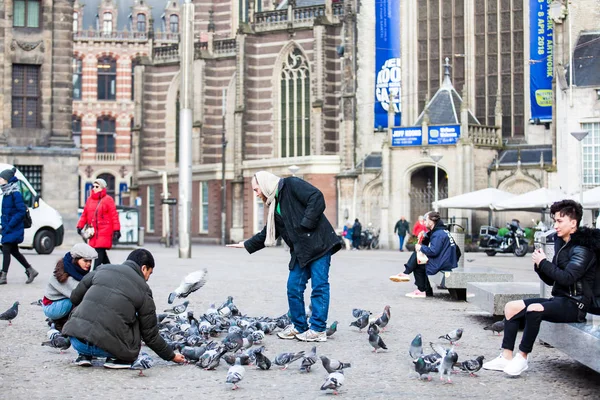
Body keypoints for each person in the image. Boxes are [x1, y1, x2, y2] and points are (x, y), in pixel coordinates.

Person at [483, 200, 598, 376]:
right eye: (554, 221)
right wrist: (539, 266)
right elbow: (552, 281)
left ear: (573, 223)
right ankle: (505, 357)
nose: (555, 226)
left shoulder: (583, 249)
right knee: (511, 307)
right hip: (560, 300)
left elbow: (567, 278)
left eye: (559, 221)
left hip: (576, 305)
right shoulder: (564, 245)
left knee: (534, 309)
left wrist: (543, 263)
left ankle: (522, 358)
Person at [227, 171, 342, 342]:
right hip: (300, 250)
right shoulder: (274, 205)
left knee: (319, 286)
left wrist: (305, 225)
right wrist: (246, 244)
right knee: (293, 287)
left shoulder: (291, 184)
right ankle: (299, 326)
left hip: (319, 244)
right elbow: (268, 233)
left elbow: (316, 197)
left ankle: (318, 329)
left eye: (256, 189)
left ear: (265, 184)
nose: (256, 193)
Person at [62, 248, 186, 368]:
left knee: (87, 305)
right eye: (149, 273)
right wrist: (171, 356)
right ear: (144, 268)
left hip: (77, 341)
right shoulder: (144, 290)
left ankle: (84, 355)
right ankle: (117, 359)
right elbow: (150, 336)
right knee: (138, 318)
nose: (148, 278)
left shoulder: (101, 269)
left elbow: (74, 297)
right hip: (108, 349)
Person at [389, 211, 458, 298]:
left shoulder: (438, 234)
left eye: (426, 220)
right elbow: (433, 239)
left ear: (431, 221)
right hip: (446, 260)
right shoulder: (440, 230)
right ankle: (423, 288)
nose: (424, 222)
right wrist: (425, 235)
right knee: (419, 260)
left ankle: (420, 288)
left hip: (443, 263)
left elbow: (434, 251)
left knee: (418, 263)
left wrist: (420, 248)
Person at [42, 243, 98, 331]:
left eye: (90, 261)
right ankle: (63, 323)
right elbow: (79, 293)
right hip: (51, 306)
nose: (88, 264)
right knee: (77, 299)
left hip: (59, 302)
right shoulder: (65, 274)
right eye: (85, 261)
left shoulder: (73, 268)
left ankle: (59, 321)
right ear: (76, 259)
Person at [0, 167, 38, 285]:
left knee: (6, 249)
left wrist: (10, 224)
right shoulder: (6, 193)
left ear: (7, 179)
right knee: (14, 251)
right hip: (8, 227)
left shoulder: (15, 194)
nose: (0, 180)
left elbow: (21, 211)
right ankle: (31, 270)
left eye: (1, 178)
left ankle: (3, 276)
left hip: (14, 227)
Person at [76, 178, 121, 268]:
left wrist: (116, 230)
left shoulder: (108, 200)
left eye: (97, 186)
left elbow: (114, 215)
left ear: (102, 188)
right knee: (101, 254)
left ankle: (92, 273)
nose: (94, 188)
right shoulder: (89, 200)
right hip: (93, 232)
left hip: (104, 231)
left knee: (98, 252)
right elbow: (85, 214)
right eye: (93, 186)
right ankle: (110, 271)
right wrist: (80, 226)